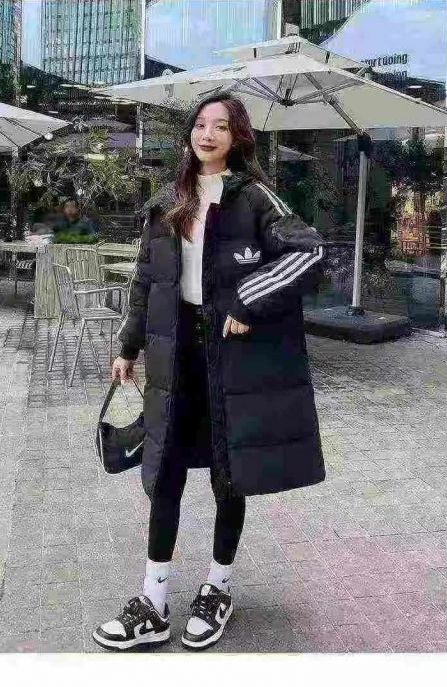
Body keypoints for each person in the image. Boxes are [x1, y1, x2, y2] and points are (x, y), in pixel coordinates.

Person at [93, 92, 327, 652]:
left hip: (231, 362)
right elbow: (147, 282)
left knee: (230, 474)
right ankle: (153, 602)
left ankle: (217, 588)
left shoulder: (254, 197)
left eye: (221, 126)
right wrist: (128, 346)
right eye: (201, 124)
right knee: (164, 473)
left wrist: (247, 301)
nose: (208, 134)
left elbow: (309, 253)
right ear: (190, 133)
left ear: (237, 137)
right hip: (175, 359)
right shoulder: (166, 201)